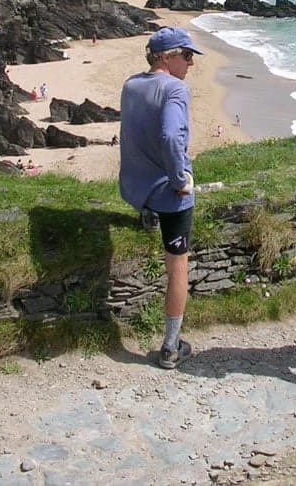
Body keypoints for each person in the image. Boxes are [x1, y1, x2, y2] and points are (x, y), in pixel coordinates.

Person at [119, 26, 203, 369]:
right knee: (177, 268)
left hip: (136, 188)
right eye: (187, 55)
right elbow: (170, 137)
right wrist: (180, 179)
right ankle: (170, 347)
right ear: (166, 57)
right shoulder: (175, 89)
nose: (191, 63)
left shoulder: (131, 85)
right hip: (169, 194)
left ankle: (146, 214)